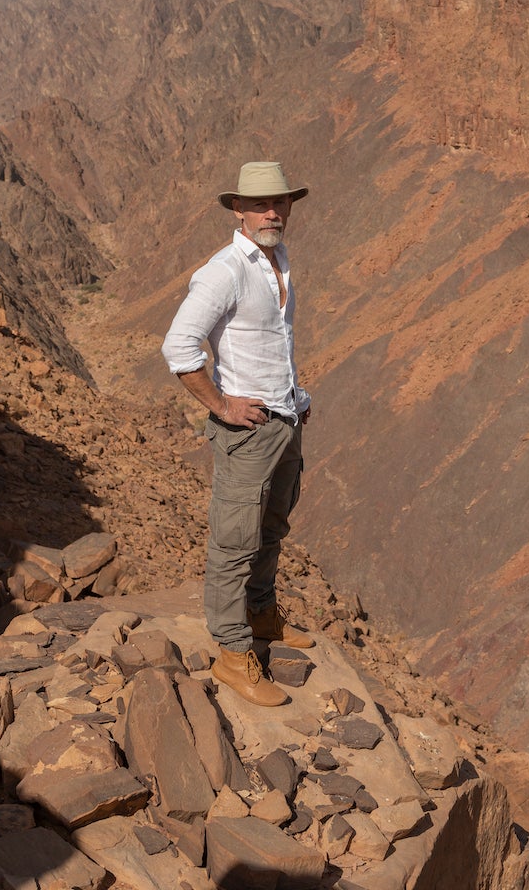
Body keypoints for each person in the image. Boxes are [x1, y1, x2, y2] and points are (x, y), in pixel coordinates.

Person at [161, 160, 316, 707]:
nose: (272, 211)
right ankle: (232, 652)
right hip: (248, 431)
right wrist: (222, 404)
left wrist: (295, 400)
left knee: (272, 526)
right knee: (234, 541)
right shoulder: (225, 270)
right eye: (258, 204)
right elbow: (179, 347)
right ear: (238, 210)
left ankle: (261, 613)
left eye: (280, 201)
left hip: (286, 418)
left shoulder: (278, 259)